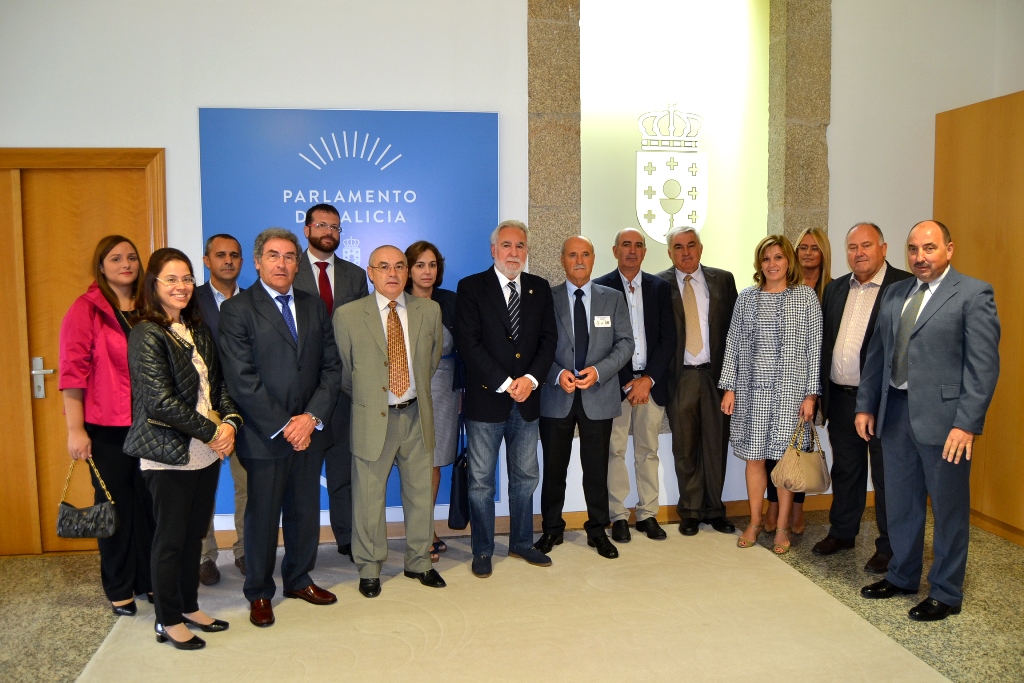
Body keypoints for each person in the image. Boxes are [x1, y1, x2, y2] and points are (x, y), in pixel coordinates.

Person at [857, 220, 1000, 621]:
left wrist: (967, 423)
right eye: (914, 249)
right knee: (900, 503)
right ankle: (902, 576)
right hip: (895, 414)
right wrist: (866, 405)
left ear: (949, 250)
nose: (920, 257)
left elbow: (983, 368)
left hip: (947, 423)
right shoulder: (897, 293)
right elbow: (878, 355)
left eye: (930, 248)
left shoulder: (973, 294)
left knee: (949, 509)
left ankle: (947, 592)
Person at [219, 228, 342, 628]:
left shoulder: (312, 306)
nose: (282, 264)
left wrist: (310, 418)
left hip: (309, 430)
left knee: (305, 511)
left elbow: (331, 367)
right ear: (257, 262)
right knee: (262, 517)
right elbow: (241, 379)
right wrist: (285, 425)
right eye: (273, 256)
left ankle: (298, 579)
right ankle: (258, 591)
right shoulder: (238, 310)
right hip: (263, 435)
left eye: (290, 257)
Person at [123, 248, 242, 650]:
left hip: (204, 452)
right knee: (170, 539)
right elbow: (159, 402)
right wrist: (212, 433)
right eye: (171, 279)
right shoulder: (145, 332)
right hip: (167, 452)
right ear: (153, 285)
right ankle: (167, 618)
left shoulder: (198, 328)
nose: (182, 286)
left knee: (194, 536)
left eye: (187, 278)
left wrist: (229, 423)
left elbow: (220, 386)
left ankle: (189, 604)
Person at [334, 245, 446, 598]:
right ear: (371, 272)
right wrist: (374, 399)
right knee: (368, 498)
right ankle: (369, 567)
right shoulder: (349, 315)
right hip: (372, 418)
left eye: (400, 266)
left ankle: (419, 562)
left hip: (415, 415)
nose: (393, 273)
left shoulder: (429, 311)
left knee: (419, 495)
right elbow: (344, 373)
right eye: (384, 267)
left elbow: (429, 364)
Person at [59, 235, 155, 617]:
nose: (125, 264)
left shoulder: (150, 307)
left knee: (149, 507)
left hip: (151, 426)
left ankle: (148, 580)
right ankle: (119, 587)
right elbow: (72, 374)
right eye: (115, 259)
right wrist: (75, 430)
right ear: (101, 266)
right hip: (106, 428)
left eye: (131, 257)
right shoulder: (86, 310)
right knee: (114, 510)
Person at [455, 220, 557, 579]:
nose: (514, 253)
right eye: (507, 246)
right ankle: (482, 549)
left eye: (520, 246)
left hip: (527, 400)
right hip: (487, 400)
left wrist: (529, 380)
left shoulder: (539, 289)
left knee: (526, 476)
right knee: (481, 481)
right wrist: (505, 382)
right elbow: (469, 344)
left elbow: (548, 340)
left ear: (526, 251)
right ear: (494, 250)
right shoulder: (471, 288)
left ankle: (522, 542)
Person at [812, 223, 911, 573]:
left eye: (866, 245)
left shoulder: (904, 286)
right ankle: (842, 532)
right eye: (852, 247)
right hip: (841, 398)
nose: (859, 253)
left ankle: (889, 546)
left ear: (883, 248)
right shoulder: (836, 288)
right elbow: (825, 345)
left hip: (886, 403)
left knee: (887, 476)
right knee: (847, 470)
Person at [720, 235, 822, 556]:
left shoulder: (806, 298)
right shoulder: (746, 298)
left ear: (788, 262)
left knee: (785, 462)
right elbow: (733, 343)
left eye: (778, 257)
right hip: (752, 394)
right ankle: (753, 521)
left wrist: (811, 394)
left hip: (791, 396)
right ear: (759, 264)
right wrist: (730, 387)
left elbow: (815, 349)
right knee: (755, 460)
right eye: (766, 259)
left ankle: (781, 527)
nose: (772, 264)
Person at [535, 236, 634, 559]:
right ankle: (552, 530)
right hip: (556, 394)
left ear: (594, 259)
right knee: (553, 469)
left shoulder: (613, 298)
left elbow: (625, 344)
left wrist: (600, 371)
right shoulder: (545, 299)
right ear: (562, 260)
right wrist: (555, 373)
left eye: (585, 255)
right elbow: (537, 349)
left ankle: (597, 531)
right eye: (573, 255)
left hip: (599, 393)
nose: (579, 260)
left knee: (596, 470)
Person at [294, 203, 369, 562]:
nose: (330, 231)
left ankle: (347, 538)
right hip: (304, 394)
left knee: (344, 471)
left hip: (345, 390)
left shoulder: (355, 276)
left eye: (336, 227)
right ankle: (303, 547)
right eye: (322, 225)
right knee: (304, 479)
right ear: (306, 229)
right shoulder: (290, 272)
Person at [593, 228, 676, 542]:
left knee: (648, 450)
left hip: (651, 385)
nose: (632, 250)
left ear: (644, 252)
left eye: (638, 245)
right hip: (616, 385)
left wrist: (648, 379)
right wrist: (628, 380)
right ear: (615, 251)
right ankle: (617, 516)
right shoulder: (600, 287)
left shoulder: (660, 287)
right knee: (614, 451)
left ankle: (648, 514)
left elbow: (669, 338)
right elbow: (601, 343)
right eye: (625, 245)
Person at [657, 227, 738, 536]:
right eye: (678, 247)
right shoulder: (658, 285)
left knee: (716, 444)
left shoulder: (724, 280)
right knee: (686, 446)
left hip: (716, 375)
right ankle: (690, 509)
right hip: (680, 377)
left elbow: (735, 332)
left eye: (691, 245)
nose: (686, 252)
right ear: (669, 253)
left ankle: (716, 509)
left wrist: (732, 379)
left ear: (701, 248)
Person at [763, 227, 833, 535]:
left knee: (800, 446)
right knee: (776, 447)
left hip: (816, 379)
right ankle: (775, 506)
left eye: (814, 248)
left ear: (823, 254)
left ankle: (797, 509)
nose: (807, 253)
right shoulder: (781, 288)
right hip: (782, 384)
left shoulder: (830, 290)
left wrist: (812, 392)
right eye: (802, 247)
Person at [405, 240, 463, 561]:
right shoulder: (397, 303)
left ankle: (427, 530)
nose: (427, 272)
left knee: (434, 463)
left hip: (443, 389)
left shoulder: (450, 301)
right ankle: (418, 532)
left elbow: (464, 348)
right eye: (419, 265)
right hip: (406, 391)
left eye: (432, 265)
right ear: (409, 269)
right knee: (413, 463)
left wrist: (464, 392)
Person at [195, 234, 248, 585]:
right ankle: (204, 555)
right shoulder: (190, 300)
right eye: (220, 255)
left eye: (234, 255)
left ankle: (246, 550)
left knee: (248, 483)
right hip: (202, 408)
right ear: (206, 260)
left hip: (247, 407)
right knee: (202, 487)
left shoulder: (257, 300)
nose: (228, 261)